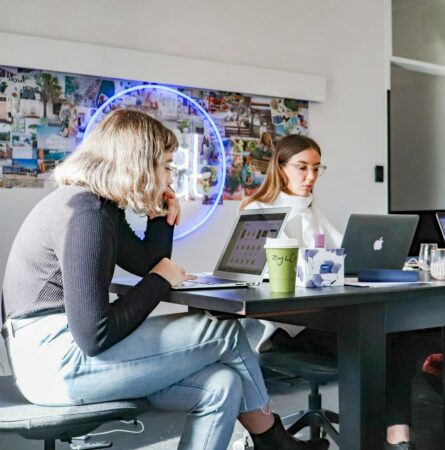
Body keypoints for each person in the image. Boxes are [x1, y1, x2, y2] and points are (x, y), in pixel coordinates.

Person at [0, 109, 329, 450]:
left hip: (55, 357)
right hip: (54, 363)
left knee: (222, 383)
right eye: (167, 165)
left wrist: (160, 218)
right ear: (140, 164)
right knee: (226, 331)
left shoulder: (98, 206)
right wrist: (160, 280)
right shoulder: (88, 214)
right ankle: (272, 439)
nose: (172, 174)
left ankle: (271, 441)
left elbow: (146, 262)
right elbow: (94, 335)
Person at [240, 134, 418, 450]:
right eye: (302, 167)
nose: (310, 177)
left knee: (398, 333)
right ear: (280, 168)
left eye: (317, 169)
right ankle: (381, 432)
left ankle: (398, 435)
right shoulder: (259, 209)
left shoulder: (312, 210)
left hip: (323, 319)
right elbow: (264, 278)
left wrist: (392, 259)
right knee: (381, 339)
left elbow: (345, 251)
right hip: (285, 328)